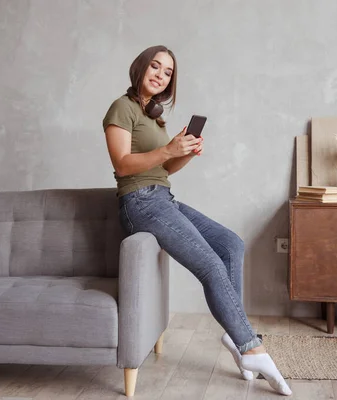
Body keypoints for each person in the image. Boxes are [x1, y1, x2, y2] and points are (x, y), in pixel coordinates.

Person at [102, 45, 292, 396]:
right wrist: (168, 150)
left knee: (231, 244)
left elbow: (164, 168)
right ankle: (249, 345)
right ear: (140, 68)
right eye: (155, 67)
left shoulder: (155, 116)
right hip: (138, 203)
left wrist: (184, 154)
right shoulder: (122, 108)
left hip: (162, 198)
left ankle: (234, 333)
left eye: (168, 71)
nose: (160, 74)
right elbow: (123, 165)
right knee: (210, 265)